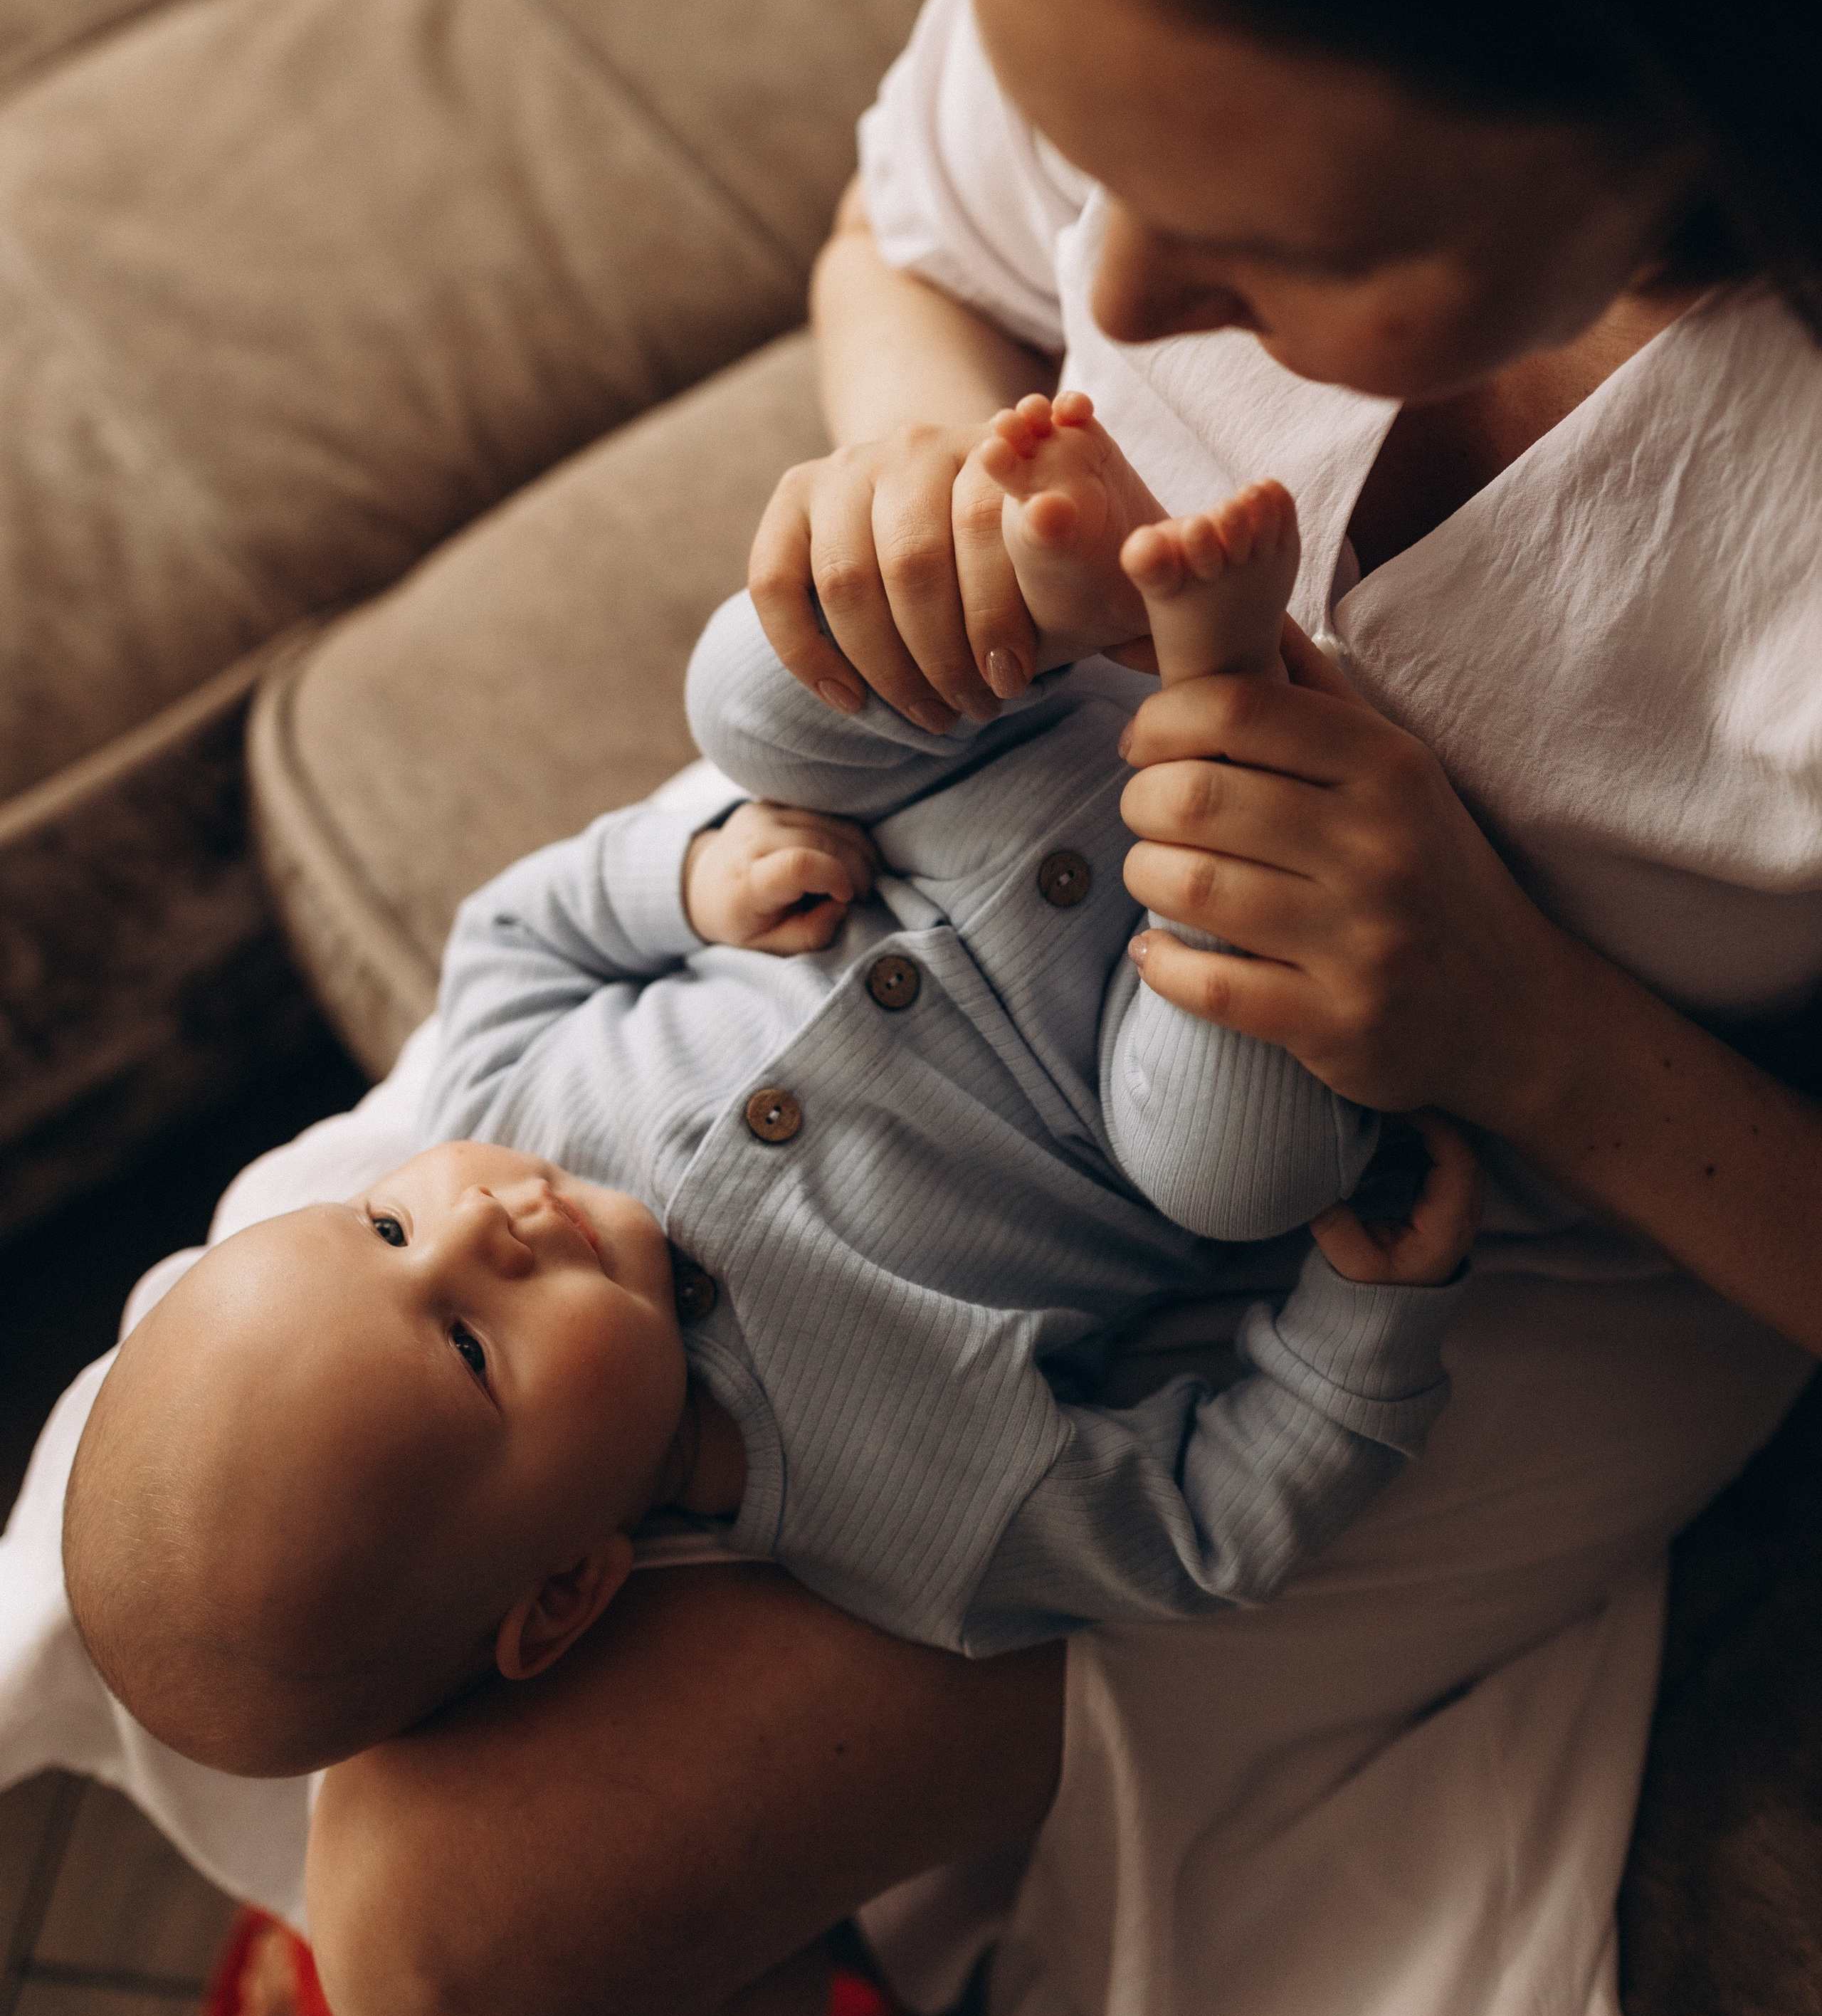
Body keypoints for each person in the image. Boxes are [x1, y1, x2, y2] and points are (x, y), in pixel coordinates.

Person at [290, 0, 1822, 2016]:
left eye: (1282, 239)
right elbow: (915, 256)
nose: (1114, 302)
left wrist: (1524, 1027)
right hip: (930, 932)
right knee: (294, 1536)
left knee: (444, 1933)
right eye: (1089, 139)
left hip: (1487, 1242)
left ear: (1691, 85)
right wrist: (919, 478)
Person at [63, 490, 1480, 1783]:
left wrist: (687, 880)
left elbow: (515, 934)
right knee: (1244, 1171)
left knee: (743, 700)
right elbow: (1198, 1535)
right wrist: (1362, 1323)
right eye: (469, 1350)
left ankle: (1051, 605)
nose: (478, 1228)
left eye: (384, 1226)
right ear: (565, 1589)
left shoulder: (494, 1104)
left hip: (944, 808)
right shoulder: (897, 1511)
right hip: (1144, 1017)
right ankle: (1224, 708)